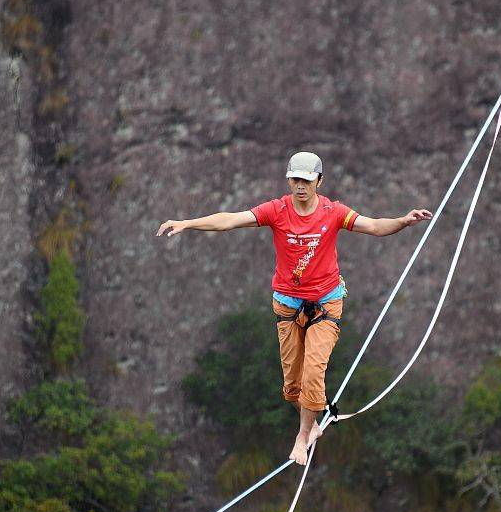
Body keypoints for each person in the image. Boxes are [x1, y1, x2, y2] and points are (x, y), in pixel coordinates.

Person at [157, 151, 432, 465]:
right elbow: (231, 219)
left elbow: (373, 226)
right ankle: (311, 424)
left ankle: (302, 438)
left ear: (319, 181)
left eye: (306, 181)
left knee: (313, 374)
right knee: (292, 389)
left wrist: (403, 221)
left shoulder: (333, 212)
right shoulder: (277, 210)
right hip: (288, 304)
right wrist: (188, 223)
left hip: (326, 303)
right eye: (295, 180)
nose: (300, 186)